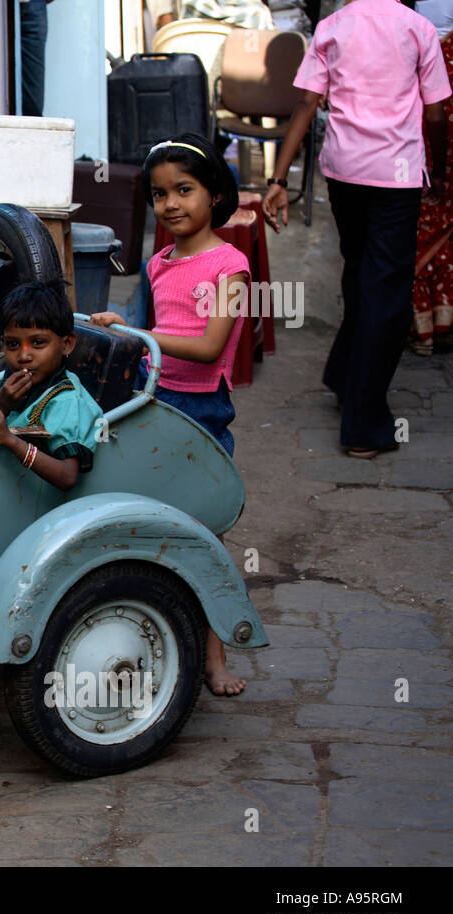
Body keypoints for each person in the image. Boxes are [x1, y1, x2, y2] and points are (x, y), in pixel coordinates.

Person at [89, 133, 250, 695]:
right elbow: (146, 332)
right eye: (160, 195)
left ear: (215, 194)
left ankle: (216, 658)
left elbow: (207, 348)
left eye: (185, 189)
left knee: (205, 532)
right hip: (152, 399)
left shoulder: (231, 267)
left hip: (201, 409)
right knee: (147, 521)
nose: (172, 204)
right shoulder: (157, 263)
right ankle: (146, 633)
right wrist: (116, 325)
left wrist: (138, 333)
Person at [263, 0, 451, 457]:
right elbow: (436, 114)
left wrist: (278, 179)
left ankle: (345, 376)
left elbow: (307, 103)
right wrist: (440, 173)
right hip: (396, 175)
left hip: (345, 173)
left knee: (360, 272)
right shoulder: (418, 28)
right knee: (387, 297)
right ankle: (364, 426)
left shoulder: (333, 26)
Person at [0, 279, 104, 493]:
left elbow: (67, 476)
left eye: (38, 343)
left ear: (66, 344)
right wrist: (1, 406)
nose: (24, 356)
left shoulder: (68, 402)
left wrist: (10, 440)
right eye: (13, 344)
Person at [411, 9, 453, 354]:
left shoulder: (410, 36)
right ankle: (441, 323)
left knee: (415, 232)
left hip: (413, 149)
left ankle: (424, 327)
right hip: (434, 148)